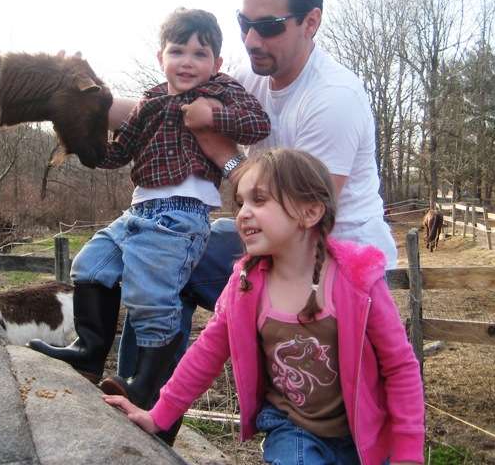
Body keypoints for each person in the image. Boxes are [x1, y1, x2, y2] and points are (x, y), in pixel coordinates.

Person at [115, 0, 399, 428]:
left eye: (267, 26)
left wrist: (220, 151)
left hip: (335, 262)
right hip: (274, 241)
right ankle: (141, 400)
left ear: (311, 22)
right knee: (166, 251)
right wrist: (80, 99)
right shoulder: (251, 74)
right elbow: (160, 109)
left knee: (334, 421)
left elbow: (299, 214)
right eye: (243, 23)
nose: (250, 40)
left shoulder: (334, 100)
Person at [104, 148, 424, 465]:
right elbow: (206, 353)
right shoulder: (245, 284)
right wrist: (159, 416)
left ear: (310, 212)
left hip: (364, 432)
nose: (243, 213)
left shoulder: (358, 280)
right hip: (292, 429)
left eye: (259, 200)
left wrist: (408, 453)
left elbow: (399, 367)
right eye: (240, 202)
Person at [28, 8, 270, 414]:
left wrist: (212, 114)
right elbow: (117, 153)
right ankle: (88, 351)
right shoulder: (150, 102)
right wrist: (79, 137)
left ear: (216, 63)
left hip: (182, 215)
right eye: (178, 51)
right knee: (90, 265)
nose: (187, 62)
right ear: (161, 57)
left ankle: (146, 384)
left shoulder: (221, 91)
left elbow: (257, 123)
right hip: (139, 211)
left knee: (150, 297)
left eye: (200, 54)